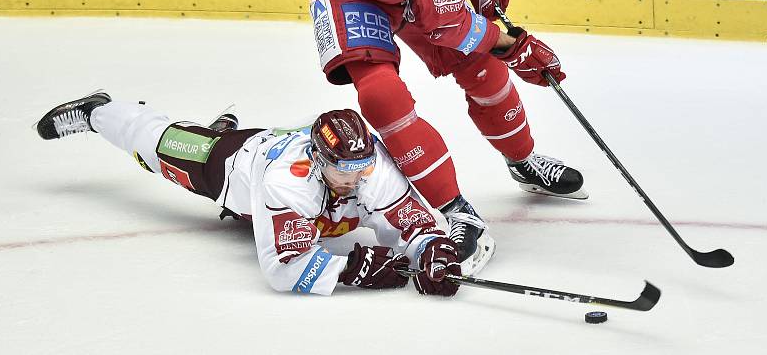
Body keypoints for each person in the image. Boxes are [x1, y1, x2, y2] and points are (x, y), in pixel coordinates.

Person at [303, 0, 586, 269]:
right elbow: (449, 24)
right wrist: (515, 46)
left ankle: (523, 160)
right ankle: (458, 213)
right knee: (382, 96)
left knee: (482, 71)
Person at [35, 92, 462, 297]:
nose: (355, 178)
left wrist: (428, 249)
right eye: (343, 169)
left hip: (284, 153)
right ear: (317, 158)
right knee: (158, 147)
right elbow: (283, 269)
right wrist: (351, 268)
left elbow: (411, 223)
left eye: (361, 167)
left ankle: (219, 126)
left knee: (383, 218)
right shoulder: (285, 181)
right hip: (234, 165)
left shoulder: (371, 165)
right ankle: (98, 112)